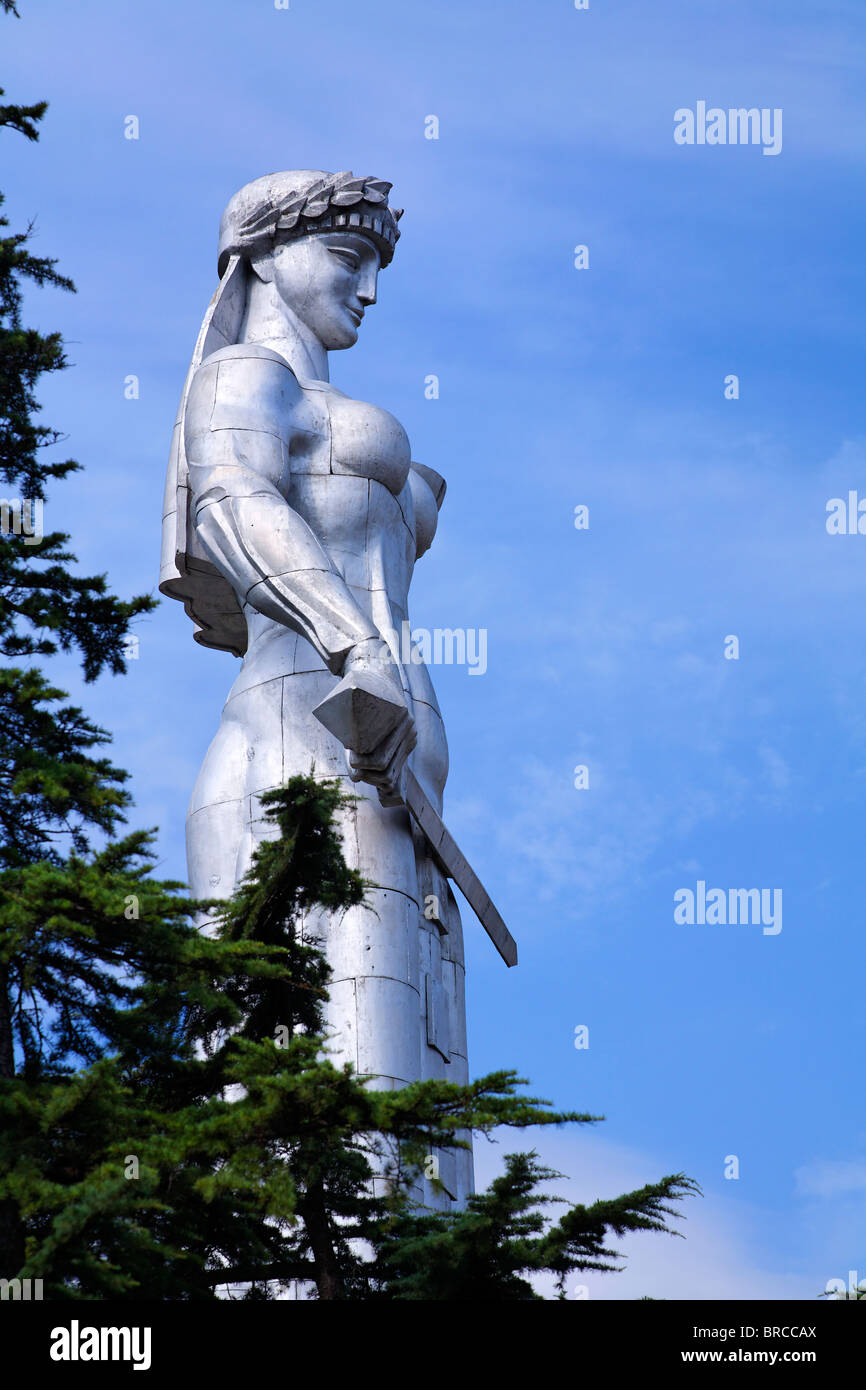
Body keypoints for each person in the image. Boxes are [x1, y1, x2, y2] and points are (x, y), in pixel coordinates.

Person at [160, 170, 471, 1204]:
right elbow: (234, 504)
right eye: (348, 258)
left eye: (377, 263)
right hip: (301, 739)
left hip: (397, 780)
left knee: (419, 1101)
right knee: (328, 1095)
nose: (369, 290)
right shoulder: (243, 380)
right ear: (265, 257)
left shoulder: (323, 399)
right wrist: (350, 647)